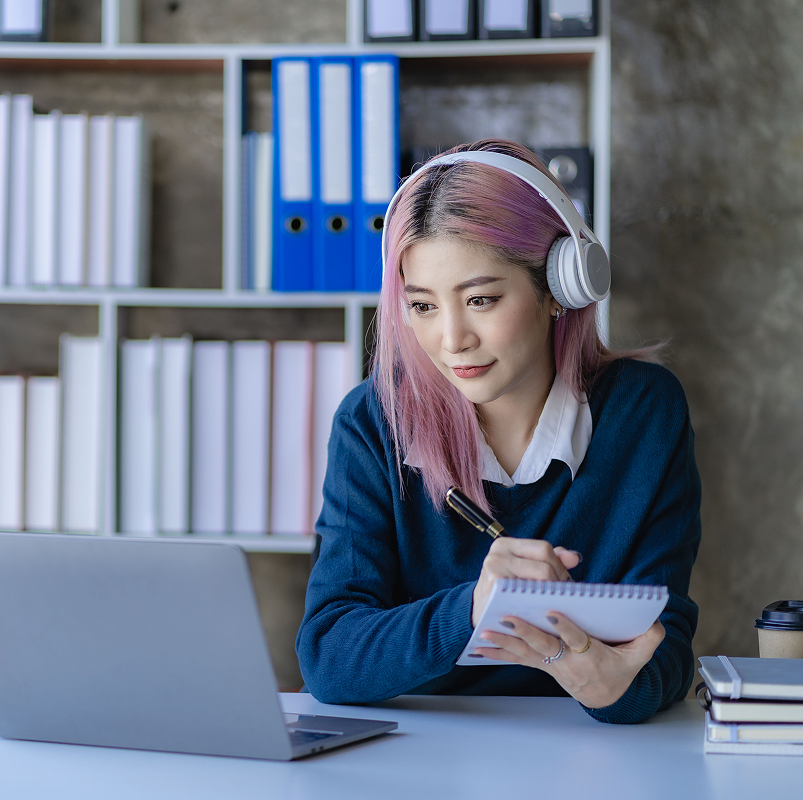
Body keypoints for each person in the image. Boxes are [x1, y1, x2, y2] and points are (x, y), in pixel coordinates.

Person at [296, 139, 701, 724]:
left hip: (592, 763)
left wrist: (616, 689)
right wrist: (474, 608)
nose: (451, 339)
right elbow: (329, 657)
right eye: (423, 306)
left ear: (558, 289)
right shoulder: (372, 422)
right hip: (417, 759)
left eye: (481, 299)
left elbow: (667, 647)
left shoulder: (644, 412)